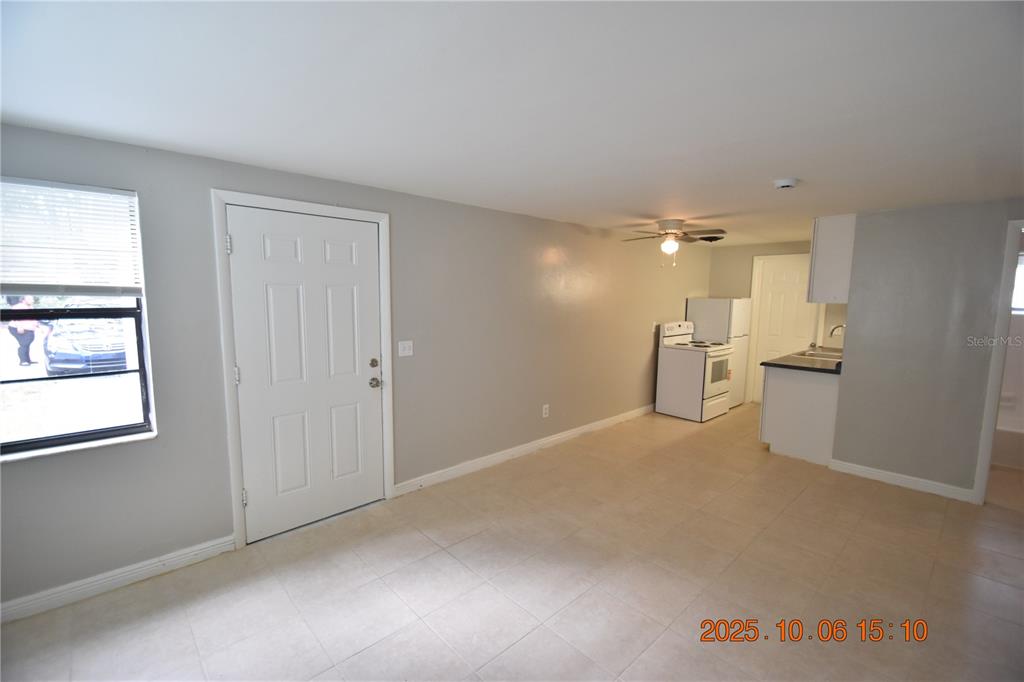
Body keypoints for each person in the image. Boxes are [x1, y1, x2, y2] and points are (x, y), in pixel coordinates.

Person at [6, 295, 39, 366]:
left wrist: (38, 326)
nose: (32, 300)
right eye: (30, 299)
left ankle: (28, 360)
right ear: (23, 300)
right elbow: (15, 317)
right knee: (24, 344)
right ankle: (23, 361)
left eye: (32, 299)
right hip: (18, 328)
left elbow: (33, 318)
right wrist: (19, 326)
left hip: (29, 329)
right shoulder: (18, 306)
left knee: (27, 343)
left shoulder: (30, 307)